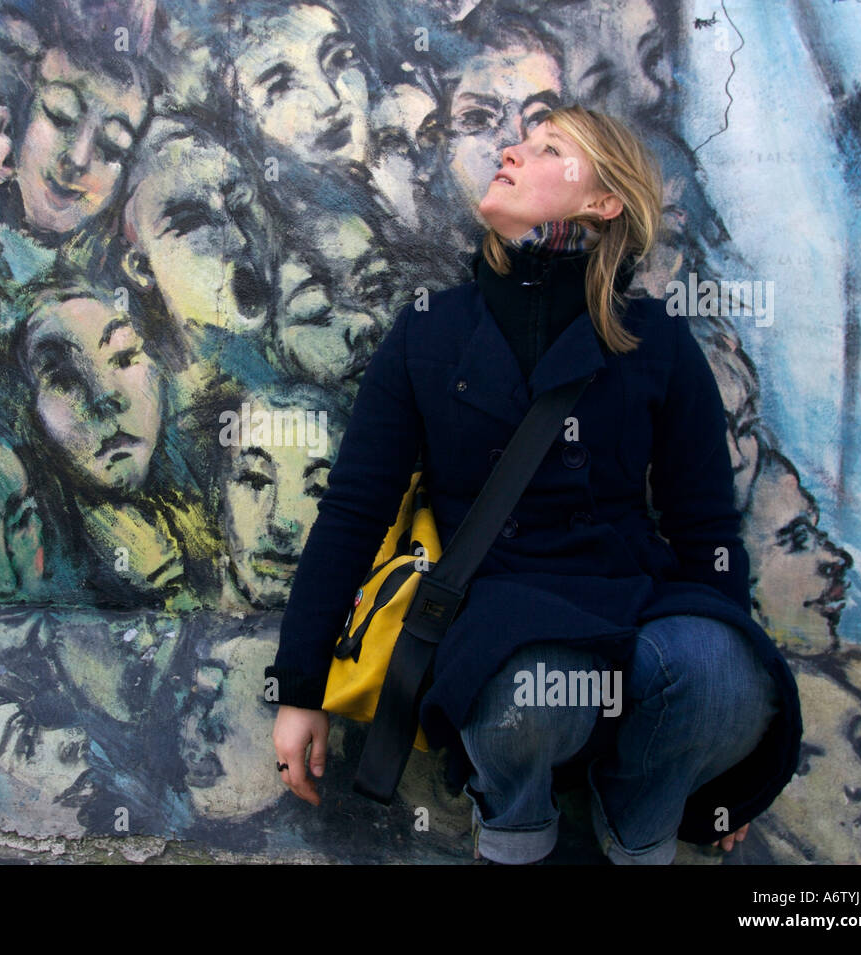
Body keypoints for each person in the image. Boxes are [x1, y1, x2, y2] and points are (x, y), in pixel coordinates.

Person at [266, 104, 803, 864]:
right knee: (527, 686)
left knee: (723, 674)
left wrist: (717, 763)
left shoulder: (654, 338)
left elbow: (706, 528)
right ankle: (514, 838)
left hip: (636, 601)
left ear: (602, 200)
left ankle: (642, 827)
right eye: (517, 142)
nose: (511, 152)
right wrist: (300, 686)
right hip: (501, 614)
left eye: (548, 148)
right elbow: (355, 509)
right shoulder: (429, 329)